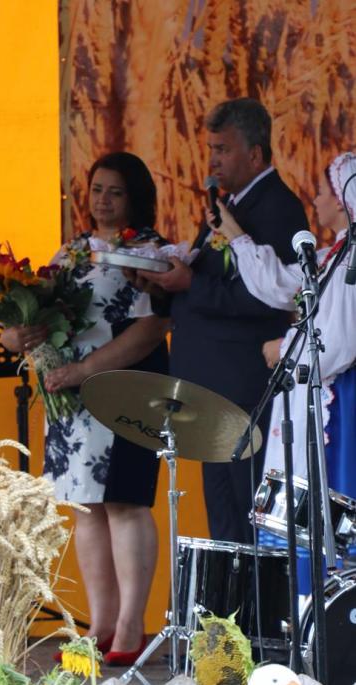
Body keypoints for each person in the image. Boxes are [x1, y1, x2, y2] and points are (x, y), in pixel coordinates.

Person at [1, 152, 171, 664]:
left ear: (135, 197)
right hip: (71, 398)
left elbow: (151, 329)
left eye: (115, 191)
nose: (103, 200)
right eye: (97, 189)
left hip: (125, 386)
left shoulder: (150, 253)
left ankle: (130, 628)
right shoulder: (72, 251)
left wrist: (85, 369)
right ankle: (99, 625)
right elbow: (33, 316)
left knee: (125, 503)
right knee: (85, 507)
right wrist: (17, 333)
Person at [130, 98, 308, 544]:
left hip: (244, 384)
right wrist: (161, 284)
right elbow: (209, 279)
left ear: (255, 153)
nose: (213, 161)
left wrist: (191, 283)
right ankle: (230, 594)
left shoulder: (278, 207)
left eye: (223, 150)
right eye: (211, 149)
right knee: (224, 520)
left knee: (247, 514)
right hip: (213, 386)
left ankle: (253, 593)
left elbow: (270, 299)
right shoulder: (228, 204)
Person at [209, 151, 356, 500]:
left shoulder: (351, 261)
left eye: (321, 192)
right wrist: (233, 232)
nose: (315, 200)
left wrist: (286, 348)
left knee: (332, 499)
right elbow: (279, 284)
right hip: (321, 390)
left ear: (340, 200)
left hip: (341, 399)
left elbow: (340, 341)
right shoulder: (335, 256)